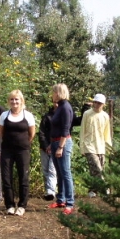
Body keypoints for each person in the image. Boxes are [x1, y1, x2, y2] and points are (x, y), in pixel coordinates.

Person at [0, 90, 35, 216]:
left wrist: (24, 143)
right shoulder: (4, 115)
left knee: (23, 178)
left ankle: (22, 205)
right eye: (12, 99)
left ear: (21, 101)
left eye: (17, 99)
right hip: (7, 150)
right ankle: (9, 205)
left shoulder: (28, 115)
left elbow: (31, 134)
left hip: (23, 150)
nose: (14, 102)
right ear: (9, 101)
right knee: (6, 178)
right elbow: (1, 133)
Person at [48, 83, 75, 215]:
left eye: (53, 92)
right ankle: (61, 200)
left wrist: (60, 147)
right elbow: (56, 127)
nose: (52, 95)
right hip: (54, 142)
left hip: (62, 143)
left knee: (65, 173)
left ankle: (70, 203)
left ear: (58, 93)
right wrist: (51, 144)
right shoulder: (59, 107)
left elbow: (65, 129)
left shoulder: (65, 107)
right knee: (59, 172)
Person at [79, 93, 112, 197]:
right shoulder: (87, 114)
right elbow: (82, 131)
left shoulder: (105, 116)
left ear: (103, 104)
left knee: (97, 169)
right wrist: (82, 147)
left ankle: (92, 190)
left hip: (101, 146)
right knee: (97, 168)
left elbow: (107, 133)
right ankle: (104, 188)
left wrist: (109, 147)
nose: (97, 105)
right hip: (89, 145)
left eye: (100, 103)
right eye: (96, 102)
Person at [38, 102, 58, 201]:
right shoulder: (46, 117)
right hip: (44, 148)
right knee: (45, 171)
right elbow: (41, 133)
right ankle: (48, 191)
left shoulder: (63, 116)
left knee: (52, 170)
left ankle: (51, 191)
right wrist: (46, 145)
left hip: (56, 147)